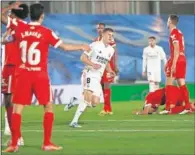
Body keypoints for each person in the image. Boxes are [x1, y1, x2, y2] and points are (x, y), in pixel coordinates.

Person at [1, 2, 90, 152]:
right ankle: (47, 142)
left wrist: (9, 8)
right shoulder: (46, 32)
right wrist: (81, 46)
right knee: (48, 106)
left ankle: (14, 143)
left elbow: (5, 31)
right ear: (42, 16)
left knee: (17, 109)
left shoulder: (20, 28)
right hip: (39, 75)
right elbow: (65, 47)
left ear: (30, 15)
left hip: (22, 74)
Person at [65, 23, 119, 115]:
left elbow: (112, 55)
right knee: (90, 95)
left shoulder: (110, 42)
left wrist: (114, 67)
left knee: (105, 87)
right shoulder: (95, 42)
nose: (100, 30)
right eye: (98, 28)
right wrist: (91, 64)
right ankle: (84, 105)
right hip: (92, 70)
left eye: (102, 28)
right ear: (98, 30)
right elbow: (86, 56)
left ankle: (107, 107)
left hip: (104, 67)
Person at [1, 1, 29, 145]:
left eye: (12, 11)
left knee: (10, 102)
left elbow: (1, 15)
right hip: (12, 66)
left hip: (13, 67)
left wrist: (10, 7)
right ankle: (15, 135)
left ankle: (17, 137)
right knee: (9, 102)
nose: (9, 13)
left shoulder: (16, 24)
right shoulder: (15, 27)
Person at [161, 14, 191, 115]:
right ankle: (187, 106)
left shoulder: (173, 33)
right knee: (181, 83)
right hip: (182, 59)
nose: (167, 22)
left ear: (170, 22)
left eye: (167, 20)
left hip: (177, 59)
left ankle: (169, 107)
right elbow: (179, 49)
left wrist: (173, 64)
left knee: (168, 83)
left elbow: (176, 49)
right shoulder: (180, 32)